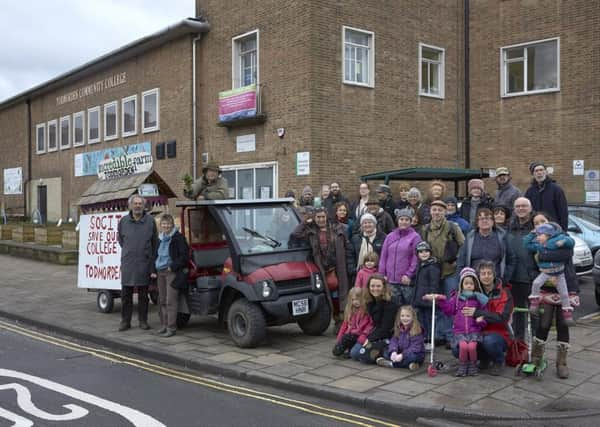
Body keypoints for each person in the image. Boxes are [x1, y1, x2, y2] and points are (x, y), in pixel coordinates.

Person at [529, 212, 578, 379]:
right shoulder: (536, 241)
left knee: (563, 324)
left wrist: (544, 253)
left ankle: (561, 363)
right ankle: (536, 358)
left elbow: (565, 255)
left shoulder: (562, 238)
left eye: (542, 221)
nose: (539, 225)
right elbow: (531, 266)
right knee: (543, 324)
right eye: (536, 223)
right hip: (546, 289)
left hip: (565, 285)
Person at [291, 207, 352, 325]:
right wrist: (305, 222)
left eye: (323, 217)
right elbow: (295, 234)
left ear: (326, 216)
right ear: (314, 218)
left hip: (338, 267)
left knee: (341, 293)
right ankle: (335, 318)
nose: (321, 220)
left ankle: (342, 320)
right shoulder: (311, 230)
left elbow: (347, 246)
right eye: (318, 217)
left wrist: (349, 265)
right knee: (328, 294)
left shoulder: (338, 228)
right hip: (322, 268)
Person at [427, 267, 488, 376]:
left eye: (471, 284)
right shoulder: (456, 298)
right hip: (460, 332)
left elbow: (483, 316)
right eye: (466, 283)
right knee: (464, 346)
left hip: (474, 331)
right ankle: (462, 366)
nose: (469, 286)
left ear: (475, 285)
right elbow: (449, 310)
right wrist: (441, 300)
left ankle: (473, 366)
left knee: (472, 347)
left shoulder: (479, 299)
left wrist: (480, 321)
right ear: (461, 285)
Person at [421, 200, 465, 344]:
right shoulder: (426, 229)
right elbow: (421, 248)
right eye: (434, 210)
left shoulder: (453, 227)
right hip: (433, 272)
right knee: (437, 303)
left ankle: (450, 335)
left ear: (445, 212)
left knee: (451, 304)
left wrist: (456, 261)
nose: (437, 212)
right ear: (430, 212)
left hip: (450, 272)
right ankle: (438, 334)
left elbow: (463, 246)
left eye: (440, 210)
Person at [117, 195, 158, 332]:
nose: (138, 206)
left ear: (144, 206)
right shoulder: (123, 221)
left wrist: (151, 263)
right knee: (126, 295)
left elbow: (155, 243)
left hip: (144, 263)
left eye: (140, 203)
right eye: (135, 203)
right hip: (128, 262)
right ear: (130, 205)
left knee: (143, 295)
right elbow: (121, 241)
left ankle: (143, 321)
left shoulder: (150, 221)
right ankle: (125, 321)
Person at [524, 222, 575, 325]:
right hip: (546, 272)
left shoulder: (556, 239)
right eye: (537, 235)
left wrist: (563, 241)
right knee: (536, 283)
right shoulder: (539, 246)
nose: (538, 238)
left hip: (559, 273)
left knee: (564, 293)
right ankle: (534, 302)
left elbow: (571, 241)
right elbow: (526, 245)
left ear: (548, 235)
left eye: (540, 235)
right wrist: (532, 234)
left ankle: (567, 313)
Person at [506, 197, 539, 339]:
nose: (521, 208)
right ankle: (519, 347)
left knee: (535, 316)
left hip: (533, 278)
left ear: (530, 208)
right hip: (514, 278)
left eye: (524, 206)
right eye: (518, 206)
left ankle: (537, 348)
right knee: (517, 315)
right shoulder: (510, 227)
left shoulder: (537, 226)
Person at [456, 207, 516, 282]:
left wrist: (505, 278)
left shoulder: (502, 237)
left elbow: (511, 259)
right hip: (474, 282)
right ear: (477, 222)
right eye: (481, 218)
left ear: (493, 222)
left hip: (496, 281)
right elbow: (461, 261)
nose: (484, 221)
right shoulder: (470, 238)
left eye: (488, 218)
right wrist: (463, 279)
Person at [350, 274, 398, 364]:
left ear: (384, 287)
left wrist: (368, 339)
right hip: (373, 332)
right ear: (368, 287)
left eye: (378, 286)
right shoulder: (370, 301)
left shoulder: (390, 304)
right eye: (372, 286)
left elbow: (385, 328)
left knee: (356, 353)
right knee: (354, 353)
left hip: (387, 335)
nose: (375, 288)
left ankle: (384, 352)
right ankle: (378, 354)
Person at [154, 213, 189, 338]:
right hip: (160, 271)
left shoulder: (178, 238)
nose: (166, 226)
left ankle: (171, 327)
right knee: (162, 300)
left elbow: (184, 256)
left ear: (172, 224)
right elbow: (156, 255)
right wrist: (153, 269)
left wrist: (172, 266)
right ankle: (164, 325)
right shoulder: (159, 238)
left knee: (170, 301)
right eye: (163, 224)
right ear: (161, 225)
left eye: (168, 223)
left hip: (172, 272)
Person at [379, 208, 421, 307]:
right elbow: (384, 256)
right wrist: (382, 274)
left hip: (405, 282)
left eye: (407, 220)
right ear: (397, 221)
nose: (404, 222)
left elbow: (416, 258)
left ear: (411, 222)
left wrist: (409, 274)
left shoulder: (415, 237)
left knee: (408, 309)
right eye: (401, 219)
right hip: (390, 281)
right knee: (393, 308)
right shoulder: (390, 236)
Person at [411, 241, 441, 350]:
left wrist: (432, 296)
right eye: (421, 252)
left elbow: (434, 283)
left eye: (426, 251)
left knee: (429, 321)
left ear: (430, 252)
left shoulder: (432, 266)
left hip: (428, 300)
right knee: (421, 321)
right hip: (419, 298)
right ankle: (423, 340)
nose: (424, 254)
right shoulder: (421, 265)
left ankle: (429, 340)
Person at [376, 305, 425, 370]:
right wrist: (394, 351)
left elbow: (415, 348)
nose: (405, 318)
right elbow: (394, 341)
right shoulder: (399, 327)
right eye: (402, 316)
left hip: (414, 353)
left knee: (412, 357)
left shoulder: (416, 329)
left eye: (408, 316)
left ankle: (392, 364)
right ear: (399, 317)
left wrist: (403, 355)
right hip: (400, 351)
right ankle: (411, 365)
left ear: (413, 317)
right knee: (386, 352)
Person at [525, 162, 569, 231]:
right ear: (533, 174)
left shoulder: (556, 189)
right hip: (536, 230)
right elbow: (527, 212)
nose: (539, 173)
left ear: (546, 172)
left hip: (553, 230)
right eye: (536, 171)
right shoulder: (529, 191)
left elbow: (563, 212)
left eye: (541, 170)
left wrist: (564, 231)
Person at [332, 287, 373, 358]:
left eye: (358, 299)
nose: (355, 302)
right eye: (353, 300)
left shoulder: (366, 311)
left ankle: (344, 350)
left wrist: (364, 334)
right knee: (345, 337)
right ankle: (343, 350)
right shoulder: (350, 310)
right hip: (351, 333)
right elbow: (344, 325)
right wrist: (339, 338)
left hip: (361, 335)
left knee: (347, 338)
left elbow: (370, 325)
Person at [348, 212, 386, 284]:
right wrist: (352, 269)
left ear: (375, 224)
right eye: (365, 223)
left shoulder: (383, 237)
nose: (367, 225)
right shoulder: (355, 238)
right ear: (361, 225)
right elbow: (350, 255)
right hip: (359, 273)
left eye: (370, 222)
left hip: (377, 274)